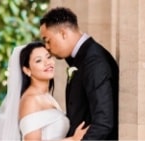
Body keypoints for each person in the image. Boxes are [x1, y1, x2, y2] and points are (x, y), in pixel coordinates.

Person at [40, 7, 119, 140]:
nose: (47, 47)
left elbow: (103, 122)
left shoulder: (94, 61)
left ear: (63, 33)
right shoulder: (82, 57)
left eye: (48, 40)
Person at [0, 42, 89, 141]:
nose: (47, 63)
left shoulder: (46, 96)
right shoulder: (30, 100)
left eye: (48, 57)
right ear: (27, 70)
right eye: (39, 60)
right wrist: (73, 140)